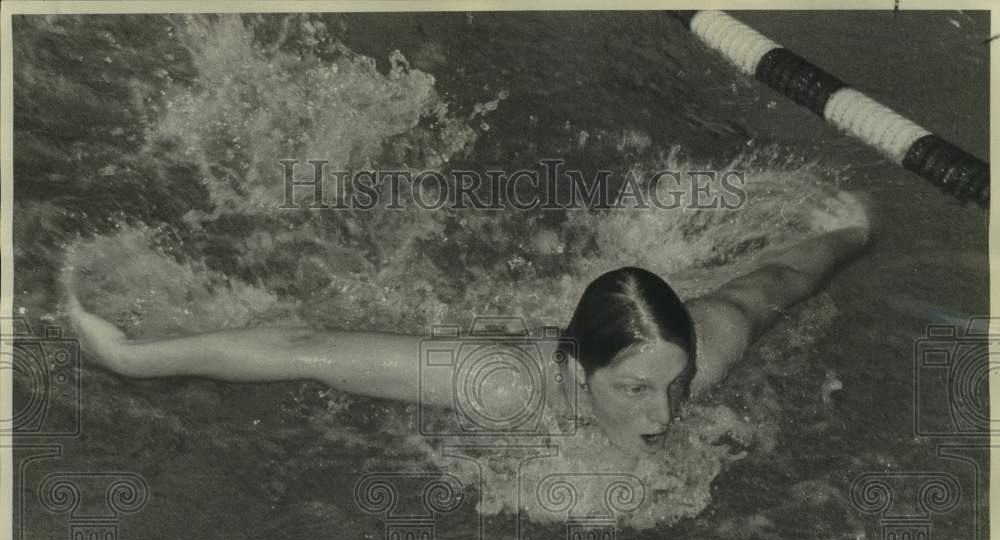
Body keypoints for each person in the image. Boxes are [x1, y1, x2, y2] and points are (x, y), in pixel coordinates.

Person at [67, 192, 872, 459]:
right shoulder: (505, 385)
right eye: (634, 389)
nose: (664, 417)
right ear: (573, 371)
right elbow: (305, 349)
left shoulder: (705, 349)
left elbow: (771, 286)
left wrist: (850, 232)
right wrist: (133, 359)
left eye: (675, 385)